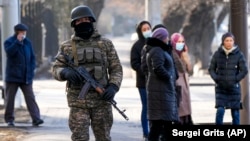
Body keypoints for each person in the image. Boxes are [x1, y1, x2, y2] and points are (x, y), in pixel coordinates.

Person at [52, 5, 123, 141]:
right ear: (74, 24)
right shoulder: (67, 46)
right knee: (79, 138)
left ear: (91, 20)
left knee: (104, 138)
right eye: (79, 21)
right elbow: (56, 69)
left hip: (102, 101)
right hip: (78, 102)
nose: (83, 23)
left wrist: (113, 87)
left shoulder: (105, 44)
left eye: (86, 19)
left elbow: (116, 69)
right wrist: (65, 73)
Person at [4, 23, 44, 127]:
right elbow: (9, 52)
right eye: (22, 32)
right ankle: (9, 120)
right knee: (10, 99)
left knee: (30, 97)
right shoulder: (9, 42)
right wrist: (17, 42)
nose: (23, 34)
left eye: (24, 32)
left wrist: (31, 69)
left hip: (26, 76)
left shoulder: (28, 43)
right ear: (17, 32)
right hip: (13, 77)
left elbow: (32, 58)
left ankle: (36, 118)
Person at [144, 27, 179, 140]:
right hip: (160, 93)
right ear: (161, 38)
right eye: (166, 37)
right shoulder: (157, 50)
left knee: (163, 124)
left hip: (163, 92)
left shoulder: (160, 49)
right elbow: (158, 68)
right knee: (158, 125)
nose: (168, 39)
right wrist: (169, 77)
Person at [208, 32, 248, 125]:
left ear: (233, 41)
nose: (229, 42)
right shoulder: (217, 54)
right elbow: (211, 69)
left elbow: (244, 70)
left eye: (231, 40)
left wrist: (235, 79)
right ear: (223, 42)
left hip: (234, 88)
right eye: (227, 40)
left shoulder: (238, 54)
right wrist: (217, 79)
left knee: (235, 113)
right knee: (220, 111)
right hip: (221, 89)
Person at [130, 20, 151, 140]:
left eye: (148, 28)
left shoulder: (154, 43)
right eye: (144, 29)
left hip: (155, 82)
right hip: (143, 82)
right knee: (146, 106)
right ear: (140, 31)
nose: (147, 31)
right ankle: (145, 132)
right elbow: (134, 64)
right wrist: (145, 71)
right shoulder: (137, 46)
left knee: (154, 107)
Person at [170, 33, 193, 125]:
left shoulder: (183, 54)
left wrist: (186, 56)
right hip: (177, 85)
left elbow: (189, 70)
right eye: (178, 41)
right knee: (180, 110)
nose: (181, 44)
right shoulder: (172, 54)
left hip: (185, 85)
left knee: (186, 110)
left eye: (182, 42)